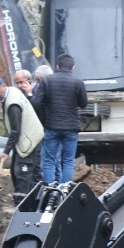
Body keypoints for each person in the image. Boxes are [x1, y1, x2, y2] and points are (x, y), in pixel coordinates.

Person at [0, 75, 44, 197]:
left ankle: (21, 205)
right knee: (35, 174)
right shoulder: (12, 92)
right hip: (34, 136)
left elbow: (15, 130)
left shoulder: (12, 103)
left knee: (22, 172)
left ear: (3, 86)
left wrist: (6, 151)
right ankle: (38, 204)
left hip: (28, 140)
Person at [39, 54, 89, 183]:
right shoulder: (78, 82)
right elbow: (83, 103)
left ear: (57, 66)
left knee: (49, 160)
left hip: (51, 127)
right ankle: (65, 190)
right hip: (71, 128)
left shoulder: (47, 81)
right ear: (73, 68)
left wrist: (44, 119)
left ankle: (49, 191)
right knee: (68, 161)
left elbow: (37, 102)